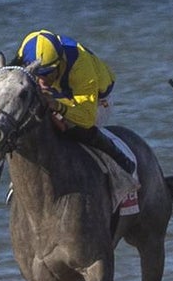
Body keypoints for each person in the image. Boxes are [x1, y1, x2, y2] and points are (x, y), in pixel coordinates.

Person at [14, 30, 136, 176]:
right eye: (38, 74)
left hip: (95, 102)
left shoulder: (81, 67)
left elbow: (87, 119)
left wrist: (58, 106)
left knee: (72, 128)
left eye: (47, 73)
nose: (42, 80)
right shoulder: (27, 49)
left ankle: (120, 160)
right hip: (57, 95)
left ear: (60, 63)